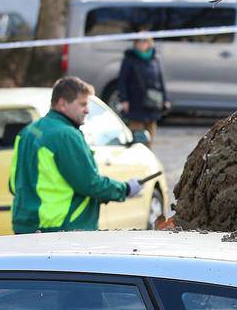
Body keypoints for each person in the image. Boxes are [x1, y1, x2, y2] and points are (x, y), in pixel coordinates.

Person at [8, 76, 142, 233]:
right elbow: (89, 184)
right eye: (82, 104)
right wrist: (125, 189)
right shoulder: (66, 135)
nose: (87, 110)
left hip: (25, 226)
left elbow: (13, 184)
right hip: (61, 227)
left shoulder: (28, 132)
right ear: (62, 103)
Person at [115, 34, 168, 144]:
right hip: (135, 104)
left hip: (152, 104)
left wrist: (165, 99)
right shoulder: (129, 59)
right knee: (137, 138)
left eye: (144, 42)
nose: (141, 44)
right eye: (139, 42)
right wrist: (124, 99)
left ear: (149, 43)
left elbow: (160, 81)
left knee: (150, 137)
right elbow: (122, 81)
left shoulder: (155, 59)